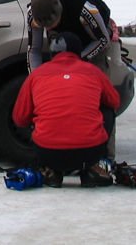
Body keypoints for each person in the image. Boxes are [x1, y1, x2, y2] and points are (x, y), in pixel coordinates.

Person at [26, 0, 126, 157]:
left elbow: (102, 40)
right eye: (45, 27)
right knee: (61, 97)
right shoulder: (34, 13)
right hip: (63, 45)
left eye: (52, 25)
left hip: (93, 40)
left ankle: (105, 157)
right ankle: (64, 151)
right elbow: (34, 50)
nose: (47, 29)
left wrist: (77, 63)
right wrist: (36, 79)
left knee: (100, 99)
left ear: (60, 14)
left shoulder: (85, 9)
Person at [12, 31, 119, 187]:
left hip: (48, 152)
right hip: (90, 152)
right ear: (78, 51)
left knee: (34, 115)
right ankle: (93, 170)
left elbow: (19, 118)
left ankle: (51, 171)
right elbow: (115, 101)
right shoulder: (93, 71)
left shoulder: (37, 75)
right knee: (108, 111)